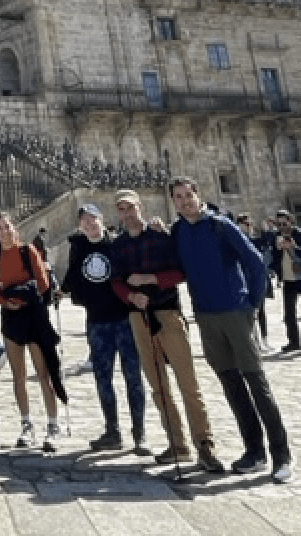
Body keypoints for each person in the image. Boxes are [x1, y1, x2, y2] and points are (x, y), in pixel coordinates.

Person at [169, 177, 293, 483]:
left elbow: (256, 263)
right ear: (174, 201)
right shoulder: (179, 231)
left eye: (189, 195)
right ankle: (254, 452)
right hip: (206, 317)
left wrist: (250, 305)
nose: (185, 201)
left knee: (257, 383)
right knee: (232, 386)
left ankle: (282, 455)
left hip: (235, 313)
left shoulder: (221, 226)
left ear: (198, 195)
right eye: (179, 197)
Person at [109, 189, 224, 472]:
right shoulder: (118, 245)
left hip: (168, 314)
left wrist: (151, 279)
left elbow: (179, 273)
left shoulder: (161, 238)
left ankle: (204, 444)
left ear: (140, 207)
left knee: (188, 384)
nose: (126, 214)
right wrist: (132, 297)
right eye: (121, 209)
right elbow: (116, 281)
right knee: (158, 384)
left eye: (130, 208)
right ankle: (177, 443)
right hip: (139, 318)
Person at [61, 204, 148, 454]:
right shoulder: (79, 247)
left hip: (123, 319)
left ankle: (139, 433)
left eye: (93, 220)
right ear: (79, 226)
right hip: (97, 321)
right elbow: (73, 277)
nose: (89, 225)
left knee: (133, 376)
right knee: (102, 377)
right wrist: (59, 290)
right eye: (84, 222)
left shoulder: (116, 244)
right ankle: (112, 430)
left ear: (102, 220)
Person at [0, 212, 66, 452]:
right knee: (18, 375)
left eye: (7, 227)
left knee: (43, 373)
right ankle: (26, 423)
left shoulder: (28, 251)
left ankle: (52, 424)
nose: (4, 232)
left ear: (15, 230)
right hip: (11, 315)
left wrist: (28, 299)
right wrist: (6, 302)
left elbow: (43, 285)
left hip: (32, 315)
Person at [236, 213, 275, 352]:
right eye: (246, 224)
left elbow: (267, 241)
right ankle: (254, 342)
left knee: (261, 312)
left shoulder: (253, 240)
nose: (249, 227)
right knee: (249, 314)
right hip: (244, 282)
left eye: (250, 224)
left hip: (257, 281)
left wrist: (267, 229)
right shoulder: (238, 242)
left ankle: (263, 340)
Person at [270, 209, 301, 353]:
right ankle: (294, 342)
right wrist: (278, 249)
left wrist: (294, 247)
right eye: (279, 224)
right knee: (289, 313)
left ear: (290, 221)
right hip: (288, 279)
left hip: (300, 276)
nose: (282, 226)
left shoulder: (298, 234)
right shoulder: (276, 236)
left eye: (284, 223)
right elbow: (273, 257)